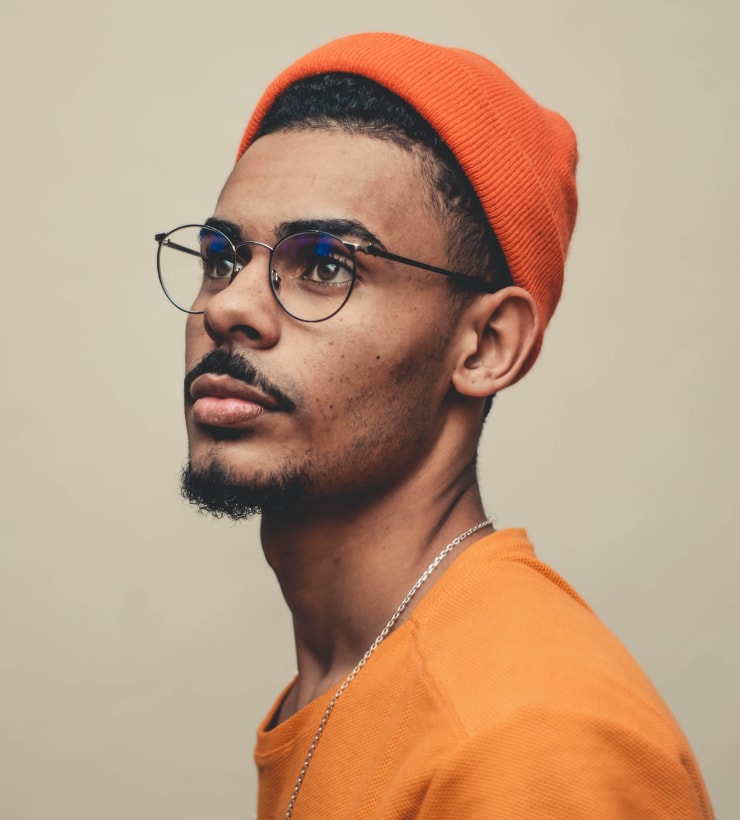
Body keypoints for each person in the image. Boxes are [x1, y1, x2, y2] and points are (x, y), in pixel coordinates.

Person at [155, 32, 713, 820]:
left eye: (325, 266)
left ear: (486, 346)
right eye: (221, 256)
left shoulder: (527, 739)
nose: (228, 307)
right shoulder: (350, 679)